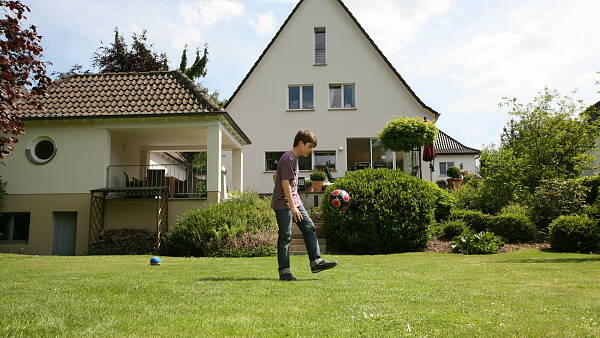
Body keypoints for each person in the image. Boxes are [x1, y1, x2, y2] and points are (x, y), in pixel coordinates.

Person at [272, 129, 337, 281]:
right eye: (310, 146)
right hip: (284, 204)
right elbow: (284, 182)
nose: (311, 150)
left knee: (309, 227)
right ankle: (285, 272)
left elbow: (277, 176)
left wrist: (293, 202)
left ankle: (316, 262)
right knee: (285, 236)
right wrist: (292, 206)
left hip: (295, 201)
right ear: (300, 143)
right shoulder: (288, 157)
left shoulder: (293, 159)